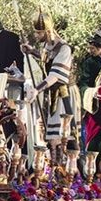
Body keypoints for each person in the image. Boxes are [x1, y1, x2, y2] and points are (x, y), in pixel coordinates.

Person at [23, 11, 77, 146]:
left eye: (39, 33)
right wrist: (31, 51)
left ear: (48, 31)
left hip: (64, 94)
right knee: (51, 139)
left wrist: (36, 89)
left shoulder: (64, 48)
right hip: (52, 93)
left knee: (64, 137)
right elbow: (45, 58)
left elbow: (55, 75)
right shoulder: (47, 46)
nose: (36, 36)